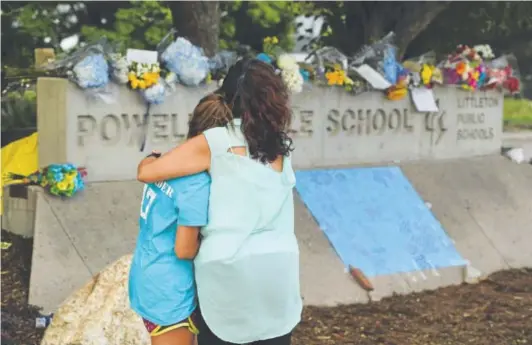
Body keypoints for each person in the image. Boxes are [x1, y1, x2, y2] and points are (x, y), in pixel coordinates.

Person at [137, 58, 302, 345]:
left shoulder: (215, 141)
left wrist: (151, 158)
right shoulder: (280, 147)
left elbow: (148, 174)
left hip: (227, 274)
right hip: (279, 271)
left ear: (227, 97)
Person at [129, 94, 233, 345]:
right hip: (171, 292)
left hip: (146, 274)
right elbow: (184, 249)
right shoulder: (197, 184)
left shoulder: (168, 163)